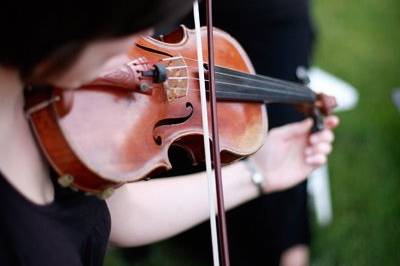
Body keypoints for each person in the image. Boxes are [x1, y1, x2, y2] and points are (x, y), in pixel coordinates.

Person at [0, 1, 339, 266]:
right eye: (131, 20)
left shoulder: (41, 101)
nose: (145, 39)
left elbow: (115, 214)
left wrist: (259, 172)